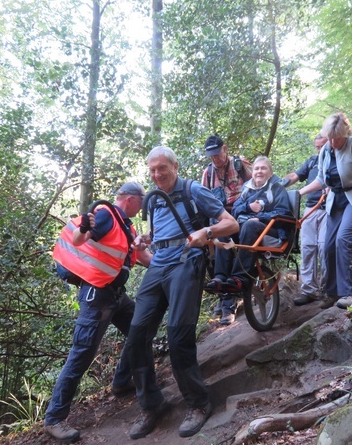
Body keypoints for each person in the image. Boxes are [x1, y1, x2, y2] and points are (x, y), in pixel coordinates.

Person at [123, 146, 239, 440]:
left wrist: (207, 233)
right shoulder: (155, 200)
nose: (157, 174)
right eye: (151, 170)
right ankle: (152, 405)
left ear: (175, 165)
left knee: (178, 336)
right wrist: (145, 239)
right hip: (157, 265)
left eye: (162, 168)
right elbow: (159, 233)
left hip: (187, 261)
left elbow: (231, 223)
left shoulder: (194, 190)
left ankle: (199, 404)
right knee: (136, 336)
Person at [44, 182, 153, 443]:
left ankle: (121, 382)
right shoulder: (106, 215)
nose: (143, 205)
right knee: (82, 354)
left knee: (140, 329)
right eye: (142, 200)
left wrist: (174, 260)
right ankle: (54, 419)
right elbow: (79, 239)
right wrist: (84, 228)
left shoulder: (127, 228)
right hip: (97, 297)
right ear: (129, 199)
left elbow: (146, 259)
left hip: (116, 296)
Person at [298, 113, 352, 309]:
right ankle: (332, 292)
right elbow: (321, 180)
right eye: (330, 138)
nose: (334, 142)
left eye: (337, 138)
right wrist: (299, 192)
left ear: (346, 133)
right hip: (335, 199)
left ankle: (348, 292)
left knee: (343, 239)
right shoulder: (326, 150)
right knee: (327, 245)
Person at [208, 156, 291, 299]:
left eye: (263, 168)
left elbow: (284, 212)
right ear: (252, 172)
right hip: (248, 230)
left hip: (272, 231)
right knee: (224, 228)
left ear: (270, 173)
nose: (259, 171)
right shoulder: (247, 189)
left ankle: (239, 277)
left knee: (250, 224)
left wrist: (261, 217)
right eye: (257, 168)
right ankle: (220, 276)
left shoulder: (277, 188)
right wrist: (248, 206)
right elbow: (235, 209)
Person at [201, 135, 252, 325]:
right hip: (220, 218)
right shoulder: (208, 173)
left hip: (241, 216)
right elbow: (203, 199)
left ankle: (228, 305)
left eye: (217, 154)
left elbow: (259, 186)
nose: (215, 159)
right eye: (211, 156)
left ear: (225, 149)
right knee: (209, 252)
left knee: (227, 242)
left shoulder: (240, 165)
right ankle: (223, 294)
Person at [281, 133, 329, 306]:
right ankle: (308, 290)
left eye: (322, 145)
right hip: (310, 208)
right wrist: (279, 185)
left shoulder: (335, 159)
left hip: (327, 209)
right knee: (308, 248)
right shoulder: (312, 161)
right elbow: (295, 176)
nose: (320, 149)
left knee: (324, 247)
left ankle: (326, 289)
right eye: (317, 146)